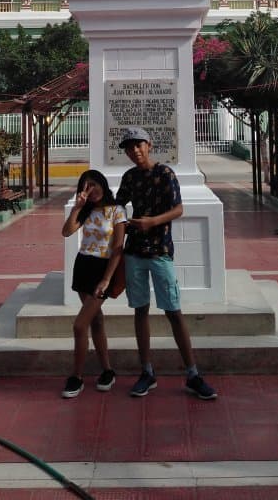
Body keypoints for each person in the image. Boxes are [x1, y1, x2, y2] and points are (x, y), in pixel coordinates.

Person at [115, 126, 217, 400]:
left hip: (160, 250)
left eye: (138, 145)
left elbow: (178, 208)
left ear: (149, 144)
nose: (134, 151)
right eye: (129, 147)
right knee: (140, 310)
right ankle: (147, 372)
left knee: (173, 310)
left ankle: (193, 373)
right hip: (134, 251)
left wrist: (152, 222)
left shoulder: (165, 174)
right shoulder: (129, 177)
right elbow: (116, 205)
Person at [61, 170, 127, 399]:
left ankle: (76, 376)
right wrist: (78, 206)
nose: (92, 190)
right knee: (96, 320)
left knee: (80, 325)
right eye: (86, 187)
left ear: (103, 184)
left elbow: (118, 247)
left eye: (94, 184)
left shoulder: (117, 211)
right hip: (83, 266)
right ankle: (107, 370)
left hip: (103, 269)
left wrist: (107, 278)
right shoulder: (87, 209)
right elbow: (67, 232)